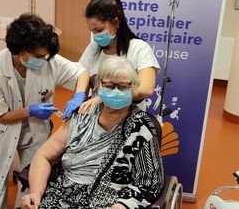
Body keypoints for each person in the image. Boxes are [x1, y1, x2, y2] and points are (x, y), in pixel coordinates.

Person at [0, 13, 89, 209]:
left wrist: (79, 96)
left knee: (33, 187)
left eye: (45, 56)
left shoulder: (47, 61)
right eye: (38, 56)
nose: (43, 60)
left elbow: (82, 72)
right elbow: (1, 117)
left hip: (35, 132)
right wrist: (30, 110)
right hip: (0, 133)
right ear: (20, 51)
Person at [21, 56, 164, 209]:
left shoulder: (141, 128)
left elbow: (149, 183)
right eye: (109, 85)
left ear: (133, 88)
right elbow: (44, 156)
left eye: (123, 86)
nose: (115, 91)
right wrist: (36, 193)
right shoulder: (82, 115)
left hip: (109, 203)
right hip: (60, 197)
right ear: (98, 86)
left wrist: (121, 206)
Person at [77, 0, 160, 113]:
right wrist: (78, 97)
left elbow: (146, 88)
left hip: (129, 120)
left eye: (99, 30)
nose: (95, 35)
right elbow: (81, 76)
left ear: (116, 22)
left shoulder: (139, 48)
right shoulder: (93, 48)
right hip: (96, 120)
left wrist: (103, 97)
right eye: (91, 30)